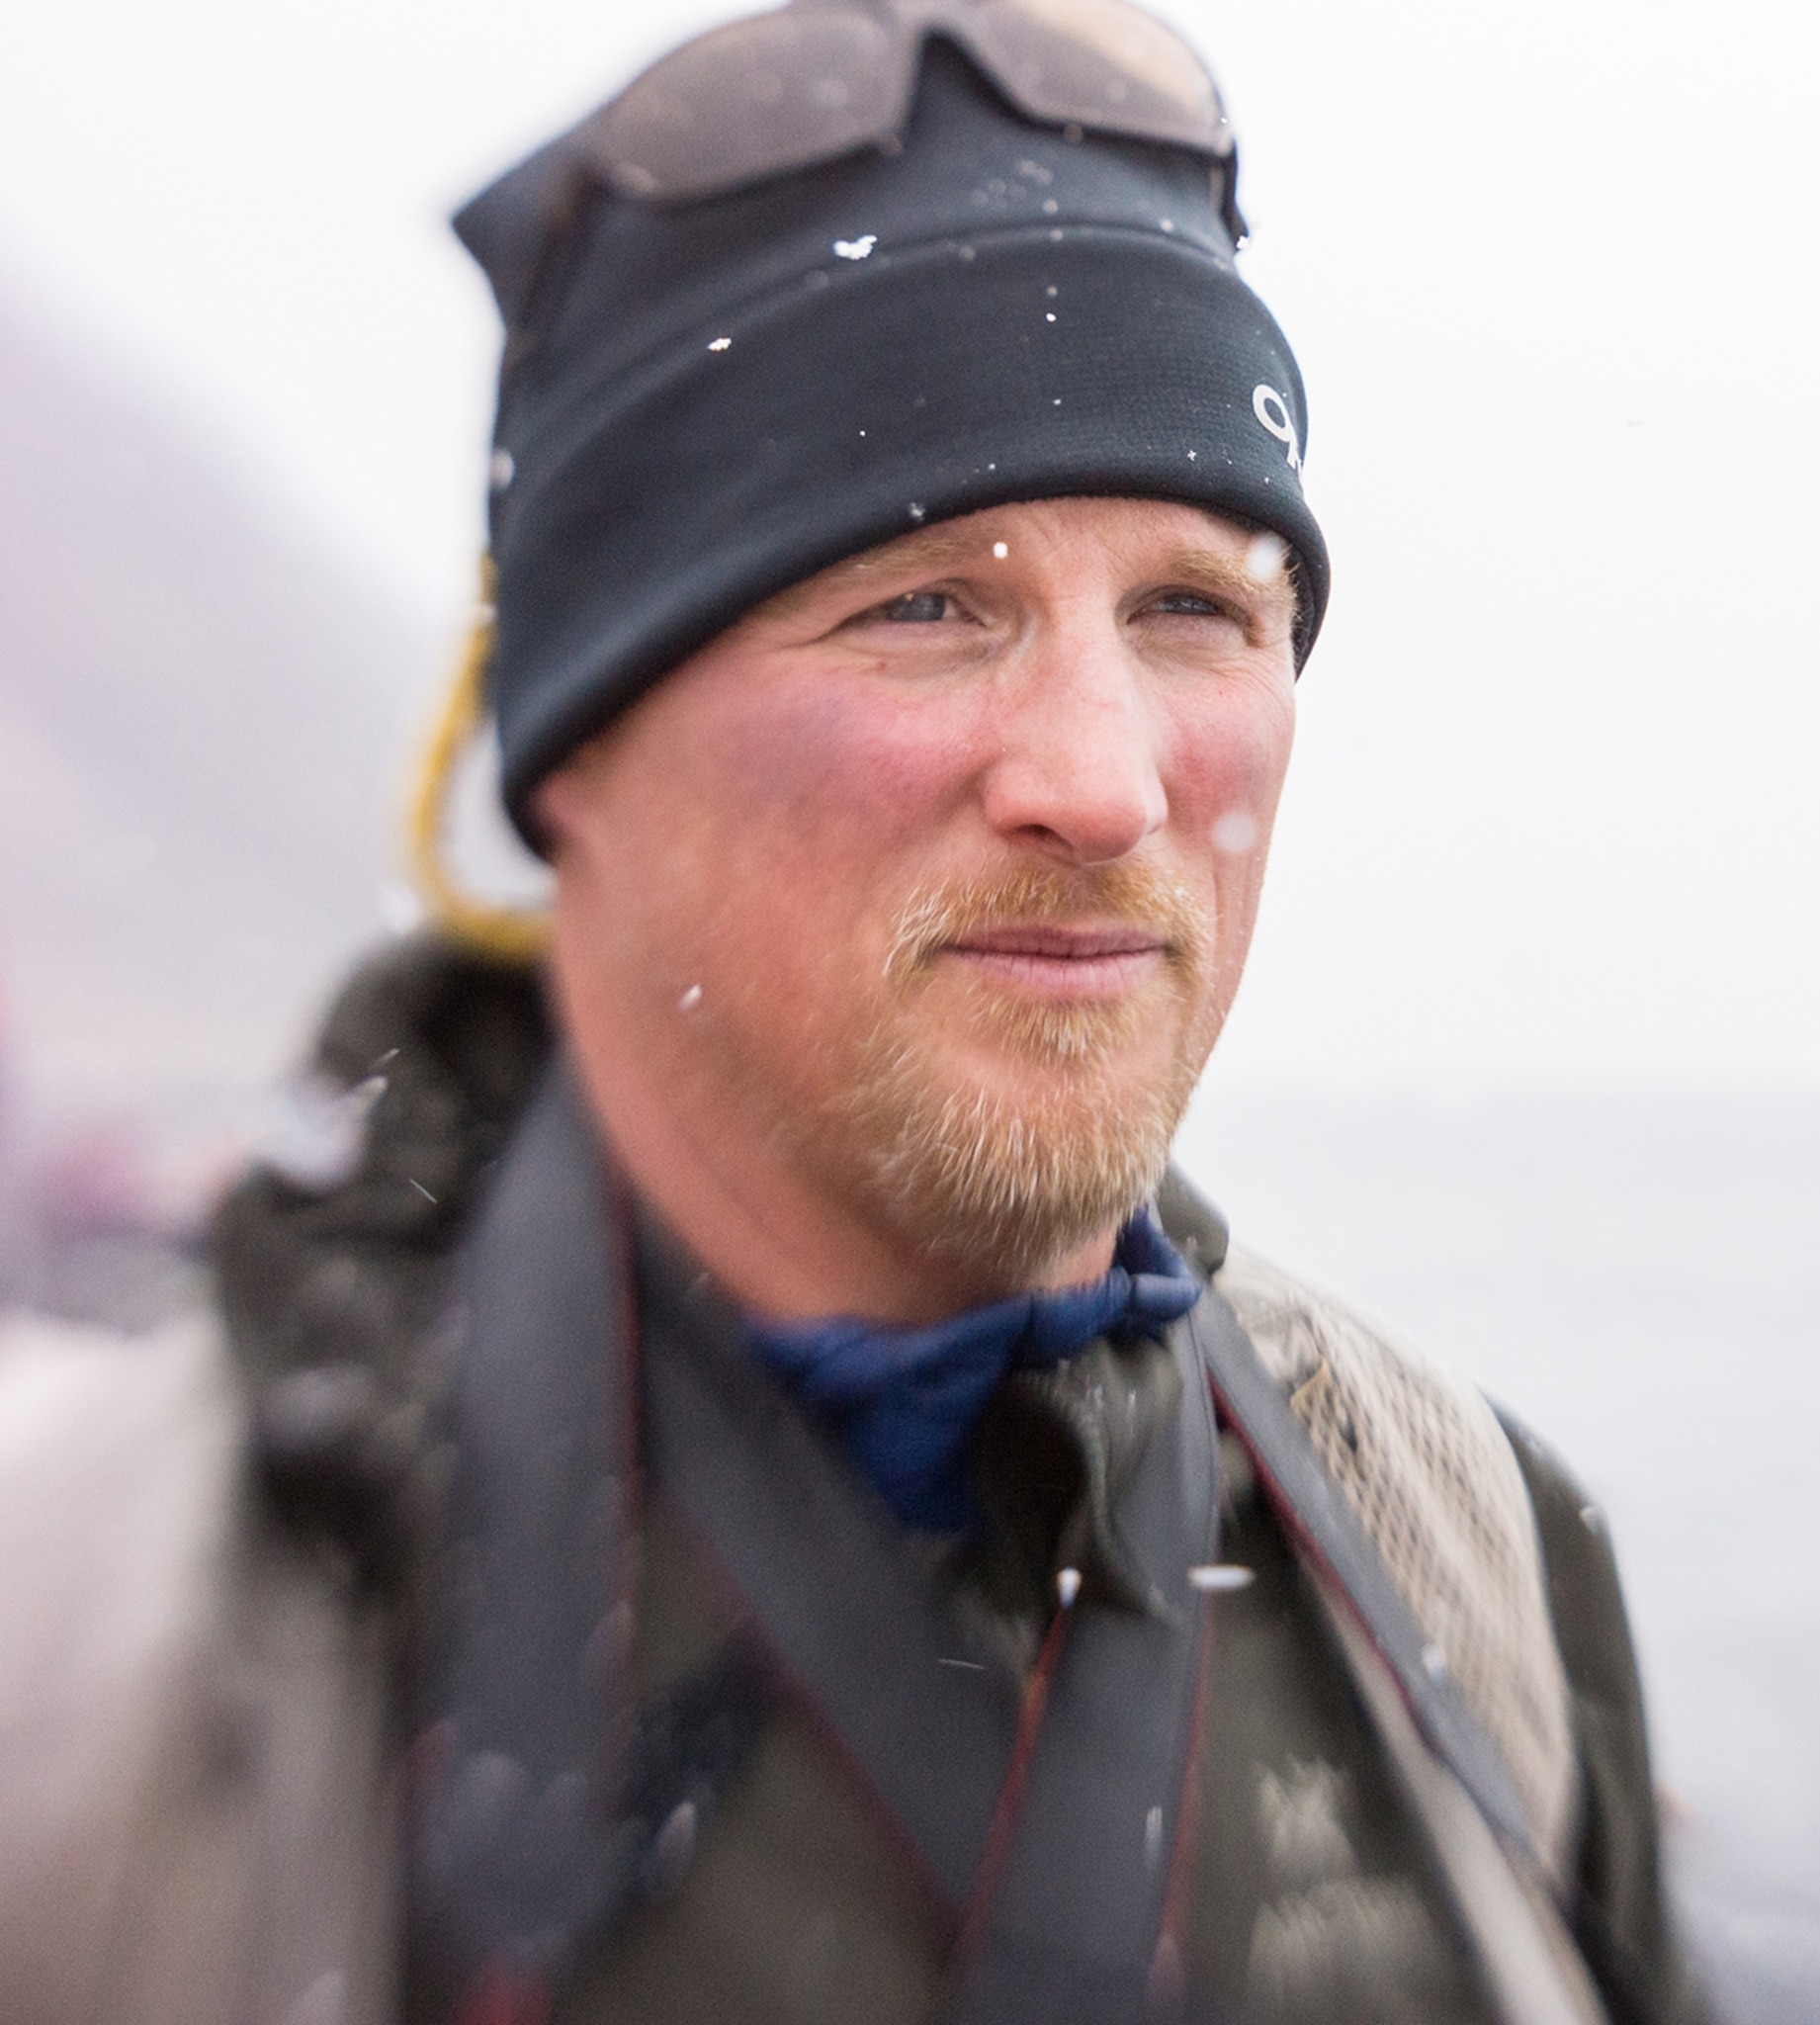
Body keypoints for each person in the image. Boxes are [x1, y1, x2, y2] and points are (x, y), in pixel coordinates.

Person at [0, 6, 1706, 2022]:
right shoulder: (82, 1651)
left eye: (1196, 611)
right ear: (580, 756)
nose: (1105, 771)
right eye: (923, 604)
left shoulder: (1464, 1543)